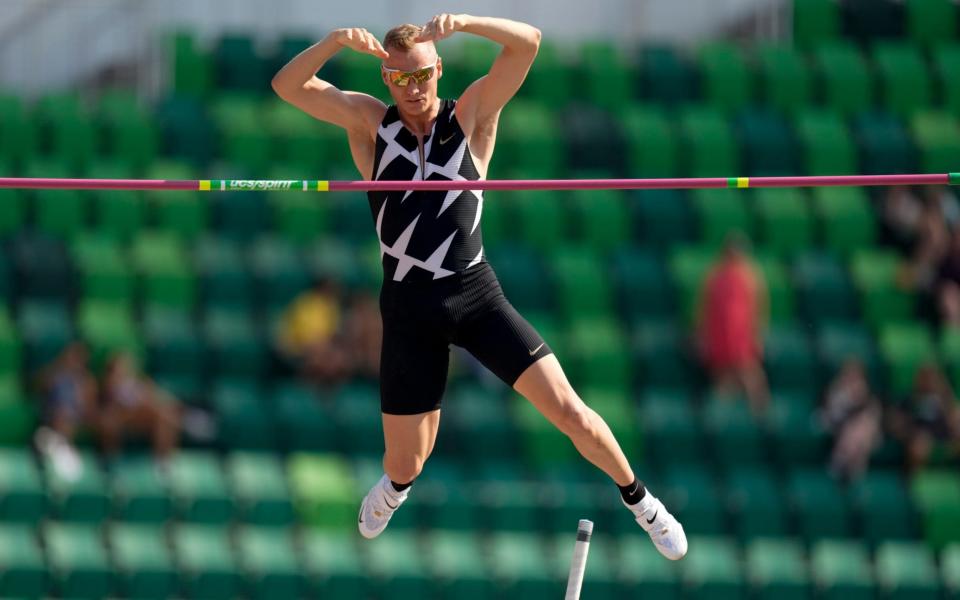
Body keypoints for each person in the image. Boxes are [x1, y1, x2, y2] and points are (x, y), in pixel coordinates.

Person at [272, 14, 686, 559]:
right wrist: (332, 42)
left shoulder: (468, 115)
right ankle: (396, 489)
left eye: (421, 75)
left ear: (437, 69)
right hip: (407, 306)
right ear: (386, 81)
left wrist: (466, 22)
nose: (413, 89)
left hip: (473, 294)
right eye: (400, 79)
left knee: (569, 410)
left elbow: (529, 44)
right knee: (406, 463)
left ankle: (642, 503)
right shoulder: (371, 125)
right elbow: (287, 86)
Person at [698, 234, 770, 414]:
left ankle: (761, 415)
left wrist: (756, 335)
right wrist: (703, 335)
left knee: (748, 373)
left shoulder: (750, 277)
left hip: (741, 335)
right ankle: (720, 417)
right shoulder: (716, 276)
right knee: (724, 377)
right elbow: (706, 308)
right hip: (721, 335)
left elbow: (758, 308)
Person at [98, 352, 182, 463]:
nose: (128, 367)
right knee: (161, 413)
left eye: (129, 365)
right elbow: (117, 404)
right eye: (123, 365)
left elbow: (157, 396)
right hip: (124, 416)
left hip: (144, 416)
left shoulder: (139, 382)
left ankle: (163, 461)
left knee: (167, 417)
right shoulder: (111, 383)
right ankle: (111, 462)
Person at [34, 342, 99, 480]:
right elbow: (37, 386)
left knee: (65, 415)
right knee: (61, 414)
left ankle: (61, 446)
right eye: (71, 357)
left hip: (77, 420)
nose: (74, 362)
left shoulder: (87, 382)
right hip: (52, 417)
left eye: (78, 359)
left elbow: (90, 411)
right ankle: (56, 445)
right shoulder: (54, 375)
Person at [820, 359, 882, 481]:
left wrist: (861, 400)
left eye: (856, 375)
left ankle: (846, 465)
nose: (853, 378)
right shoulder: (834, 391)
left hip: (859, 433)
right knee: (856, 432)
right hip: (838, 426)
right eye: (850, 373)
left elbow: (872, 416)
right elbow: (834, 415)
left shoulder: (866, 396)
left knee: (863, 429)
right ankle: (844, 466)